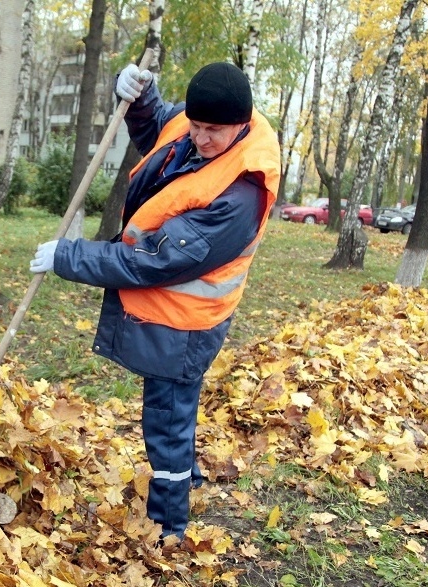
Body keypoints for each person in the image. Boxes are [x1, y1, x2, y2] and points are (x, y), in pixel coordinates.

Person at [29, 62, 280, 541]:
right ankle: (188, 479)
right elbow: (162, 129)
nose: (201, 139)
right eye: (198, 127)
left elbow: (152, 261)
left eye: (214, 132)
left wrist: (70, 257)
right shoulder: (194, 125)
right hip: (169, 312)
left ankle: (169, 524)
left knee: (165, 420)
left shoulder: (241, 193)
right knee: (173, 410)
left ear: (242, 124)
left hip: (186, 322)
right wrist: (140, 99)